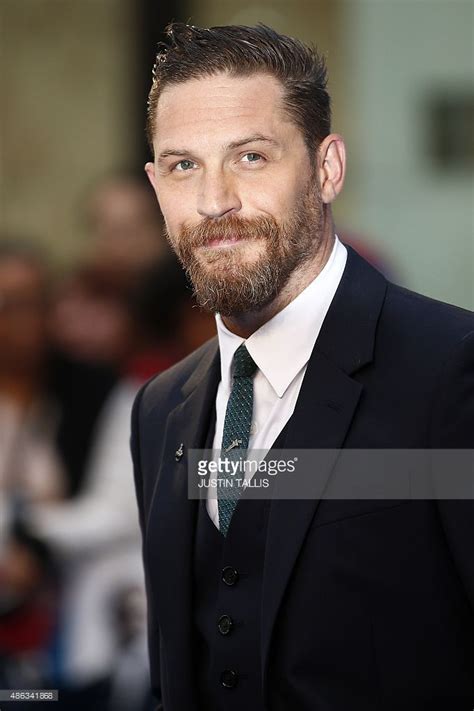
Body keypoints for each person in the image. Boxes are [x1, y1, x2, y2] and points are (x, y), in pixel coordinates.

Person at [131, 23, 474, 711]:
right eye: (183, 165)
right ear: (155, 184)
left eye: (251, 157)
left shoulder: (453, 369)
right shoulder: (161, 408)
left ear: (327, 169)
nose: (213, 202)